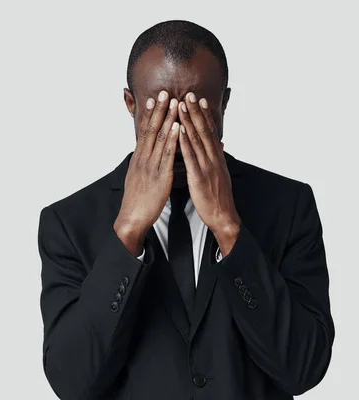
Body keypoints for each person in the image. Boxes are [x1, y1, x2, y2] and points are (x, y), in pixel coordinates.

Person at [38, 20, 335, 400]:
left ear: (224, 102)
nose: (178, 131)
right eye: (159, 112)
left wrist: (229, 229)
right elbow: (72, 382)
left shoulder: (288, 205)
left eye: (197, 112)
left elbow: (304, 369)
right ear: (130, 104)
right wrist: (128, 231)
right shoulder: (68, 222)